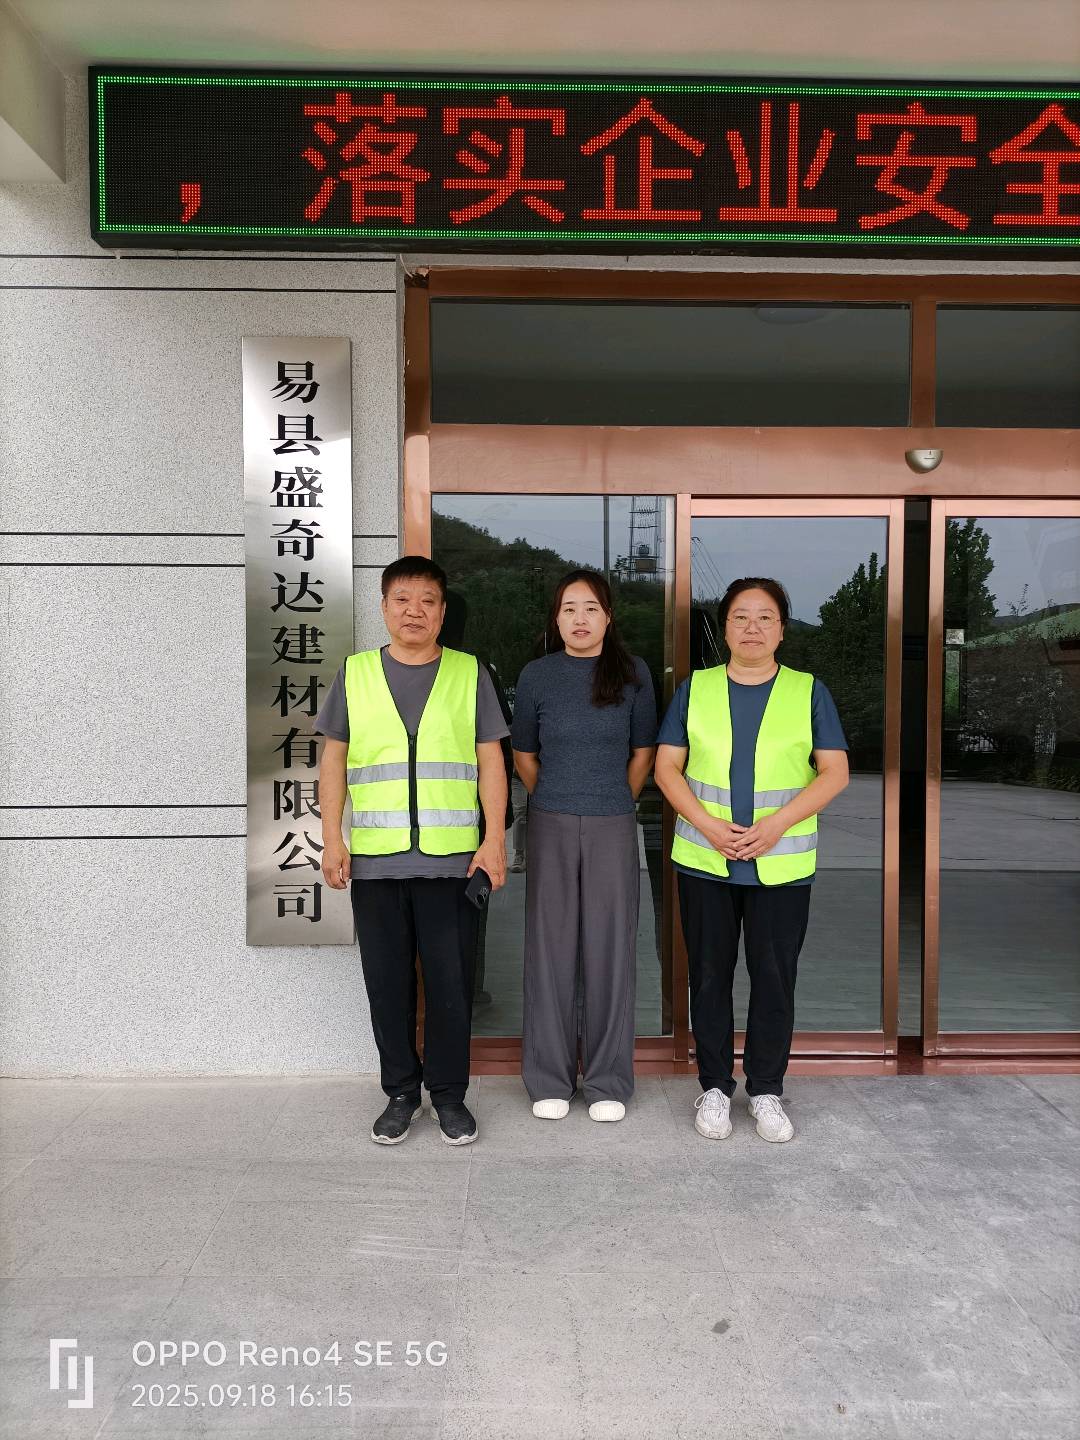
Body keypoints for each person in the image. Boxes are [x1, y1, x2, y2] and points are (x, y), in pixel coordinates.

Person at [315, 556, 508, 1146]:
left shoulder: (470, 673)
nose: (414, 611)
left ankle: (448, 1096)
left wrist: (494, 841)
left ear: (443, 612)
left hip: (453, 863)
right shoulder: (355, 674)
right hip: (377, 862)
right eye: (402, 599)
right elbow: (333, 759)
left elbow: (491, 760)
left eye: (427, 601)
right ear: (384, 607)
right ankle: (400, 1091)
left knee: (452, 986)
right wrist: (332, 837)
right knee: (387, 984)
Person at [654, 578, 849, 1144]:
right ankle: (715, 1086)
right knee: (709, 976)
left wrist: (775, 825)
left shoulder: (808, 691)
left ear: (782, 629)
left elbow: (834, 771)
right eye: (741, 617)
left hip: (780, 864)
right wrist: (710, 826)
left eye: (766, 617)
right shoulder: (696, 689)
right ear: (725, 628)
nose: (753, 628)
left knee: (774, 978)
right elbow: (667, 768)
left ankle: (766, 1089)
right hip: (706, 860)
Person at [512, 569, 657, 1123]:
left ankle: (607, 1081)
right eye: (569, 608)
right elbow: (524, 755)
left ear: (608, 617)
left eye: (591, 608)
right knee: (549, 947)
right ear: (556, 618)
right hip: (549, 819)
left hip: (612, 821)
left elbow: (643, 753)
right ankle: (549, 1078)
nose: (580, 618)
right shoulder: (537, 676)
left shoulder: (633, 673)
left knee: (610, 947)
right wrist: (554, 794)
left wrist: (614, 798)